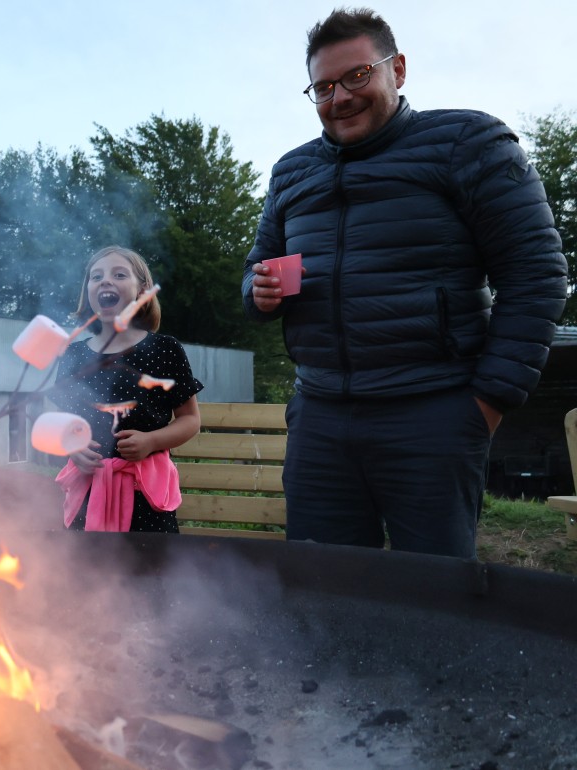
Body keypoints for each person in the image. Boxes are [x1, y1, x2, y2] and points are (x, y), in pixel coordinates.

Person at [242, 8, 567, 557]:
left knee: (434, 600)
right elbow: (255, 273)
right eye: (323, 86)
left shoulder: (468, 142)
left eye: (357, 76)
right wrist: (258, 293)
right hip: (320, 417)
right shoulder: (291, 172)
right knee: (325, 594)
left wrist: (487, 402)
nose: (339, 96)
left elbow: (536, 275)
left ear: (399, 69)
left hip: (432, 414)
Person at [50, 246, 203, 532]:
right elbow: (57, 424)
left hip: (146, 497)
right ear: (89, 292)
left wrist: (151, 441)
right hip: (88, 491)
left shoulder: (165, 349)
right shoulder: (72, 355)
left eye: (119, 274)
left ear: (142, 289)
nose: (105, 281)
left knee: (150, 574)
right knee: (86, 574)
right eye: (96, 277)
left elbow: (190, 420)